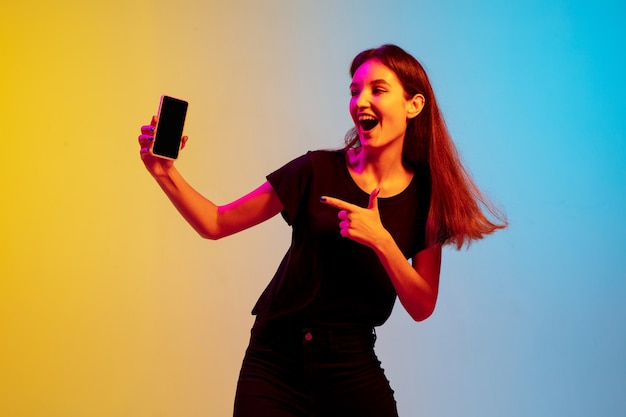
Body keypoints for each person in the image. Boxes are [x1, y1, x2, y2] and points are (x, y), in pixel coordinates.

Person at [138, 44, 506, 417]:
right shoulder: (314, 171)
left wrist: (381, 240)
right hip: (274, 366)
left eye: (377, 90)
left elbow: (422, 305)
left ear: (414, 105)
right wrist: (164, 172)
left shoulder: (426, 198)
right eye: (354, 91)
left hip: (351, 366)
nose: (361, 100)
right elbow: (215, 223)